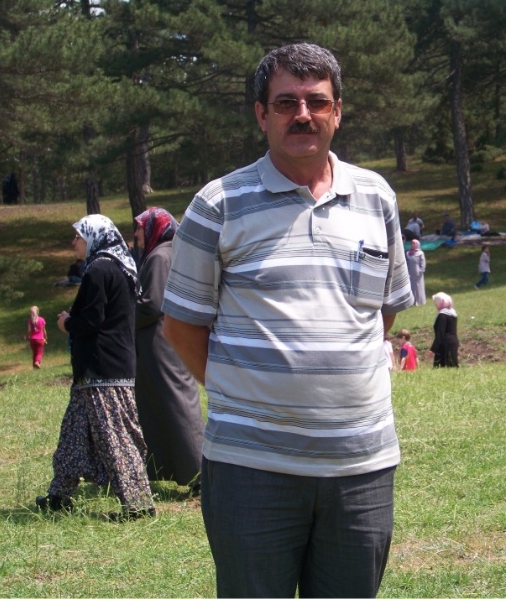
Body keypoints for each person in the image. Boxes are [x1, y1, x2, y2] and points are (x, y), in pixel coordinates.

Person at [160, 43, 413, 598]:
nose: (303, 114)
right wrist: (247, 394)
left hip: (361, 469)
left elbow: (383, 312)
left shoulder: (376, 197)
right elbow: (180, 327)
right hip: (251, 471)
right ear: (261, 114)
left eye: (317, 102)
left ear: (337, 111)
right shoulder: (217, 204)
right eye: (285, 103)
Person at [36, 215, 155, 521]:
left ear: (93, 237)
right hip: (102, 368)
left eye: (78, 236)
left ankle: (139, 505)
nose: (73, 242)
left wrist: (67, 323)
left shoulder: (100, 269)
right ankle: (59, 496)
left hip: (103, 369)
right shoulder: (119, 267)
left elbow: (92, 320)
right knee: (72, 434)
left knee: (116, 438)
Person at [134, 207, 204, 492]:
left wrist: (123, 312)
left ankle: (199, 472)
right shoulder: (172, 251)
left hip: (161, 345)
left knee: (177, 404)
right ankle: (181, 469)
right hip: (167, 341)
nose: (136, 233)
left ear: (154, 227)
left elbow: (151, 304)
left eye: (140, 227)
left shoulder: (159, 256)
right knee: (167, 406)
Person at [429, 292, 459, 367]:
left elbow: (440, 334)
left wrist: (433, 349)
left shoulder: (442, 316)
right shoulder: (453, 314)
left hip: (444, 345)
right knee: (452, 366)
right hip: (453, 342)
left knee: (440, 367)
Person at [406, 239, 426, 305]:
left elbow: (423, 262)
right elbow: (407, 263)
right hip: (410, 272)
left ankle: (419, 300)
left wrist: (421, 270)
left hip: (418, 272)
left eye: (414, 244)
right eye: (411, 243)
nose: (412, 245)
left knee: (418, 286)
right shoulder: (408, 253)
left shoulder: (420, 253)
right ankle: (412, 301)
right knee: (411, 286)